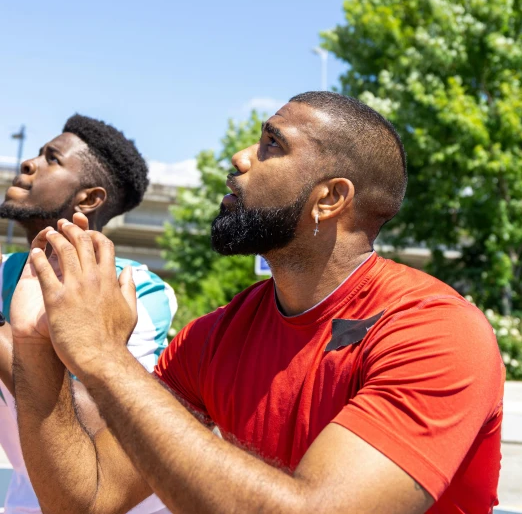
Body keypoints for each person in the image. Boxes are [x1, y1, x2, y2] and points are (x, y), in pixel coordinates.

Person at [10, 93, 504, 514]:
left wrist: (103, 356)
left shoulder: (434, 331)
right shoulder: (215, 336)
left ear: (330, 198)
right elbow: (89, 498)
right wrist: (34, 347)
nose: (241, 157)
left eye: (273, 144)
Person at [0, 114, 177, 514]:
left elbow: (92, 421)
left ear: (89, 200)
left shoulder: (137, 288)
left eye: (52, 159)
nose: (29, 163)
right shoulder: (2, 276)